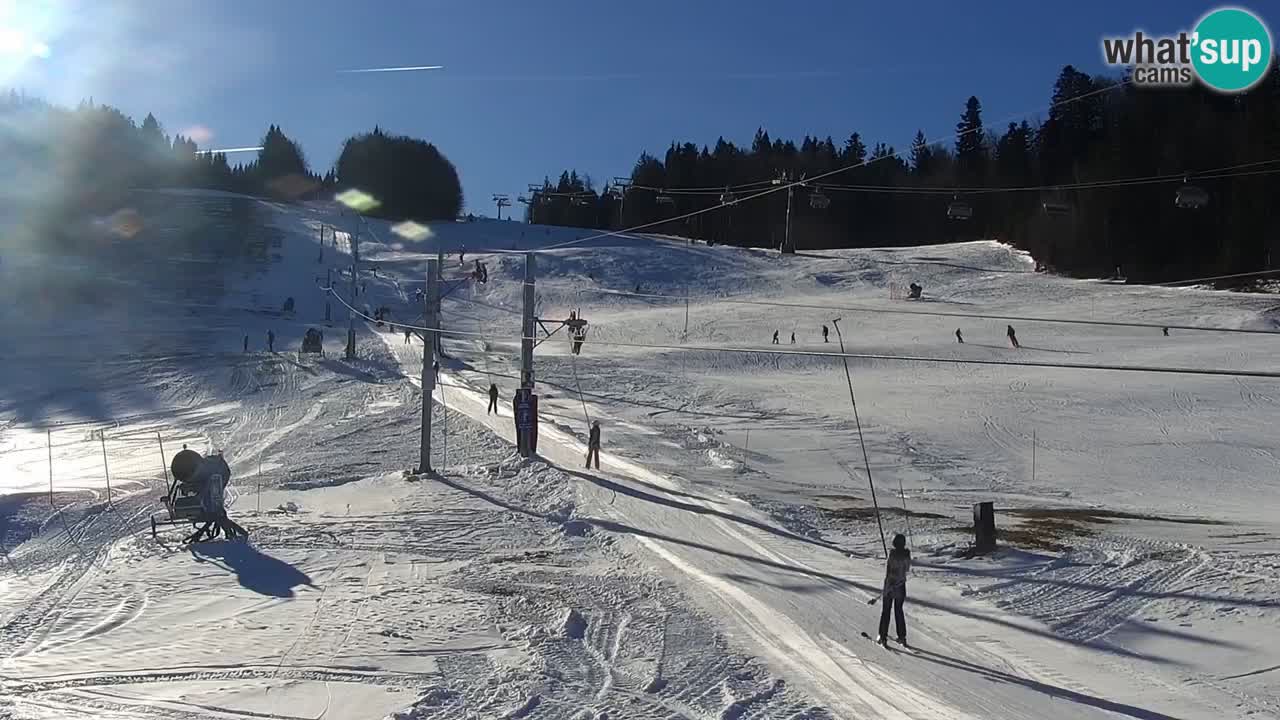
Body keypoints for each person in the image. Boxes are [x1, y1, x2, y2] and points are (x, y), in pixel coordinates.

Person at [877, 533, 912, 647]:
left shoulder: (892, 555)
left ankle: (883, 636)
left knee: (886, 611)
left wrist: (887, 587)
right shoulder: (907, 555)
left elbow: (889, 571)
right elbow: (906, 569)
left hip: (891, 585)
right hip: (901, 586)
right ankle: (902, 637)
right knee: (898, 611)